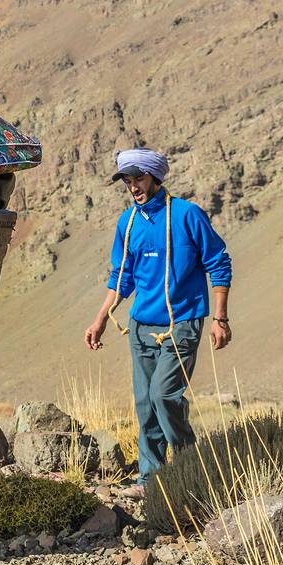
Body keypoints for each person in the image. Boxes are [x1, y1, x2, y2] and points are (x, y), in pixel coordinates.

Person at [84, 148, 233, 489]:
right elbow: (122, 277)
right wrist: (101, 319)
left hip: (182, 322)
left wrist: (220, 318)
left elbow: (218, 263)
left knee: (165, 395)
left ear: (155, 177)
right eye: (127, 180)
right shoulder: (129, 222)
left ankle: (189, 469)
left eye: (138, 178)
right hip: (141, 327)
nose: (133, 186)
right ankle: (149, 479)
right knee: (145, 403)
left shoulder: (187, 215)